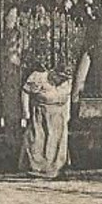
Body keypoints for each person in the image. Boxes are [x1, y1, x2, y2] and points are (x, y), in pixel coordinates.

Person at [17, 49, 73, 180]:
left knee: (58, 142)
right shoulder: (39, 77)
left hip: (59, 115)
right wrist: (25, 112)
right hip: (42, 114)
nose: (62, 80)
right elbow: (25, 92)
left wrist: (68, 112)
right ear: (54, 72)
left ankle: (56, 169)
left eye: (65, 78)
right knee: (39, 139)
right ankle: (37, 169)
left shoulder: (66, 82)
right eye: (60, 77)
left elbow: (68, 97)